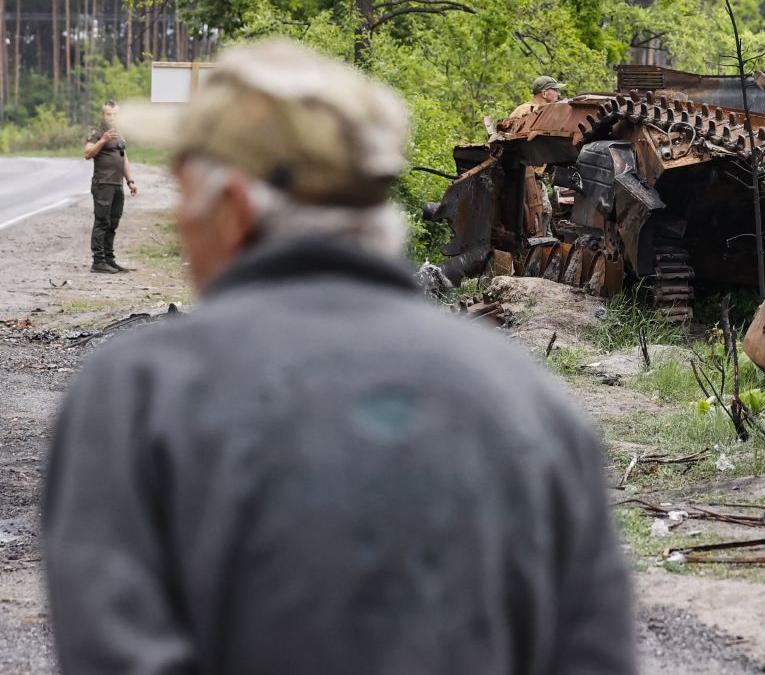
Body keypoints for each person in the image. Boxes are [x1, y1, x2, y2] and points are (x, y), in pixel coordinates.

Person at [44, 39, 634, 675]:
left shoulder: (140, 395)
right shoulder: (531, 401)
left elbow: (114, 651)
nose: (182, 225)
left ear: (236, 210)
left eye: (188, 196)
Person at [83, 100, 139, 273]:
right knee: (102, 221)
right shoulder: (97, 132)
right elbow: (87, 153)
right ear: (103, 115)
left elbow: (124, 158)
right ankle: (98, 262)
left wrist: (130, 181)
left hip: (117, 184)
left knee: (113, 222)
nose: (112, 118)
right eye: (109, 114)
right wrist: (103, 140)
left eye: (115, 114)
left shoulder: (120, 133)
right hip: (103, 183)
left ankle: (109, 259)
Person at [509, 76, 565, 236]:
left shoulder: (540, 111)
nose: (558, 95)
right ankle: (537, 250)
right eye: (556, 90)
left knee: (541, 214)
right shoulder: (528, 111)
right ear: (545, 93)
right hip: (525, 176)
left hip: (531, 176)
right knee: (542, 213)